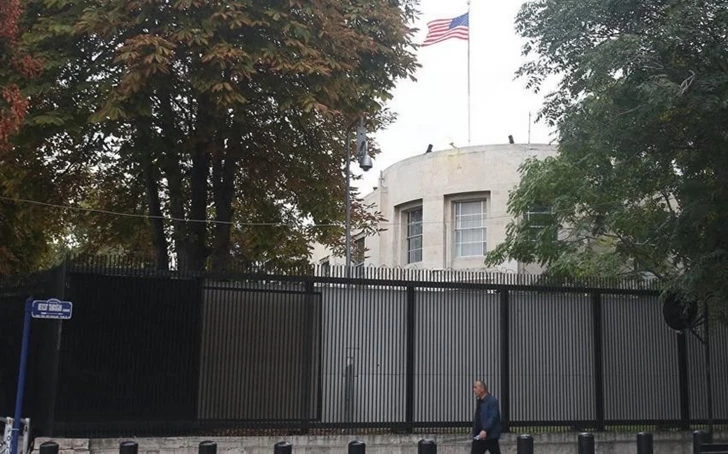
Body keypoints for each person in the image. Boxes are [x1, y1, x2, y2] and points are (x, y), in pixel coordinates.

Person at [471, 380, 502, 454]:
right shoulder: (480, 401)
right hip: (479, 436)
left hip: (490, 436)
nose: (474, 390)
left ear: (482, 389)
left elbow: (493, 417)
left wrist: (485, 429)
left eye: (475, 387)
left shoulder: (492, 401)